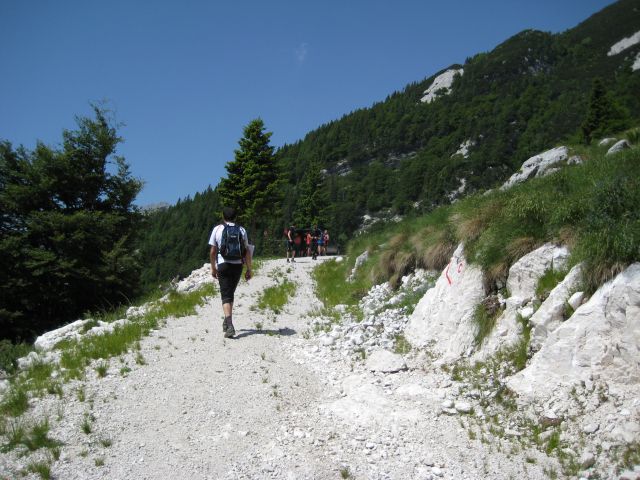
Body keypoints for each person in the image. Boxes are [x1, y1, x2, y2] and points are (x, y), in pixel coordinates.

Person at [209, 207, 252, 338]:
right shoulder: (242, 230)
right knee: (230, 293)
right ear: (235, 217)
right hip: (237, 265)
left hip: (223, 264)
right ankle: (227, 321)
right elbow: (247, 251)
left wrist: (213, 267)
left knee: (226, 294)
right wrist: (249, 269)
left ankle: (230, 325)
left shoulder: (217, 229)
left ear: (223, 216)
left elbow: (212, 251)